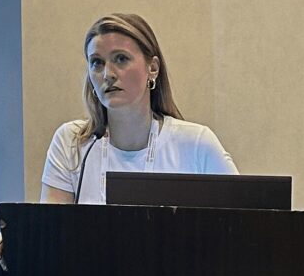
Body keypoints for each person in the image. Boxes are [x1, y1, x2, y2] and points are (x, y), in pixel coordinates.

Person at [41, 13, 235, 203]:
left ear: (153, 68)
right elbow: (50, 223)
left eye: (121, 59)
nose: (108, 74)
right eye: (97, 63)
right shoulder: (71, 142)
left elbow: (241, 218)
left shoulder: (196, 144)